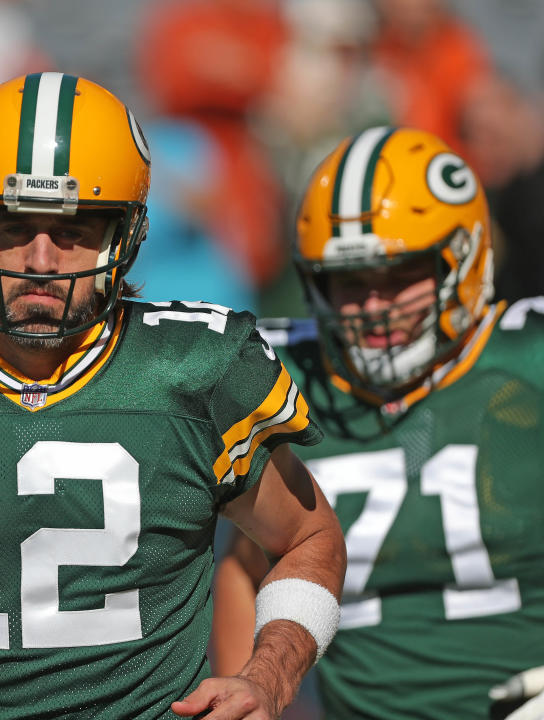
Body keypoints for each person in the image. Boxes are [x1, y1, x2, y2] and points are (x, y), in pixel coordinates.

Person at [0, 72, 345, 720]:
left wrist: (268, 677)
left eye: (74, 228)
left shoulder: (196, 367)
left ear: (124, 237)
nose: (41, 259)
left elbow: (309, 537)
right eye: (14, 226)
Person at [213, 126, 544, 720]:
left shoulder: (527, 361)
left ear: (463, 260)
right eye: (350, 282)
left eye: (398, 277)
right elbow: (247, 562)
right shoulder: (285, 378)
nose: (373, 307)